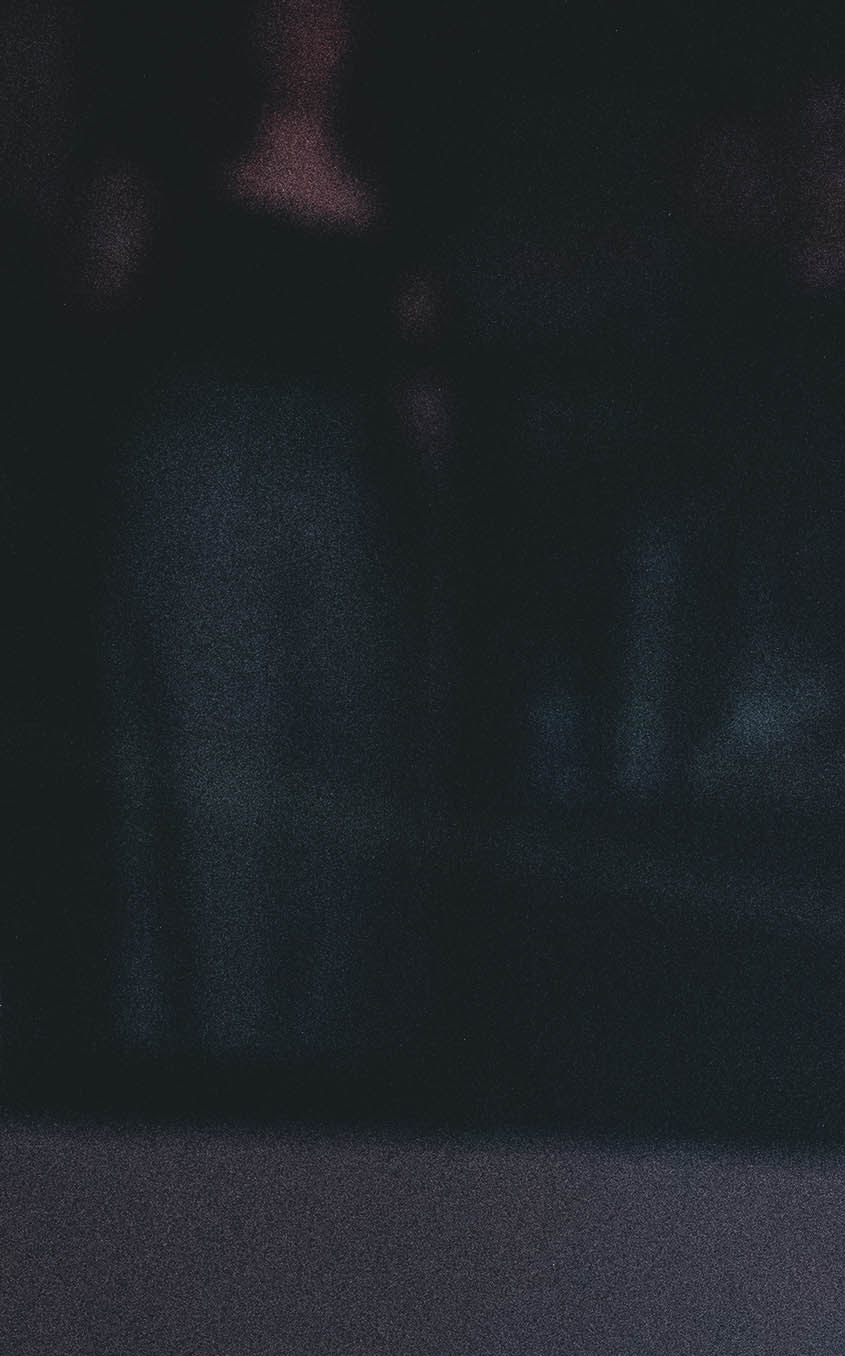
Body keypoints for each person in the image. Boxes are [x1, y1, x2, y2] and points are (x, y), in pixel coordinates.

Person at [94, 0, 429, 1056]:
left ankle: (308, 1072)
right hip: (204, 480)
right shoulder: (174, 168)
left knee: (341, 789)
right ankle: (210, 1072)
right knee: (215, 792)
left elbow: (421, 384)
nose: (302, 32)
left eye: (325, 14)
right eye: (280, 12)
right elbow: (99, 312)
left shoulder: (395, 188)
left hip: (342, 496)